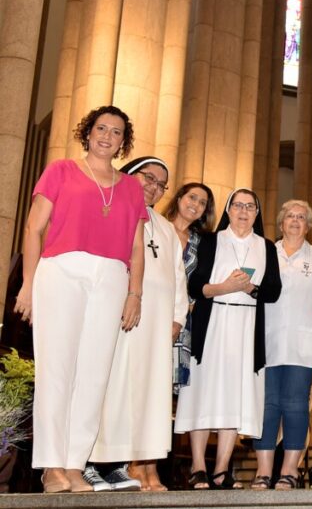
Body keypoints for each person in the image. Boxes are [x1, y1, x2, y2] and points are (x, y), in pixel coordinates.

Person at [14, 105, 147, 494]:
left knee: (94, 375)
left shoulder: (131, 187)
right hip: (62, 270)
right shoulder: (61, 171)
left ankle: (75, 464)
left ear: (125, 141)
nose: (108, 136)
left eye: (117, 131)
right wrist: (28, 284)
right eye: (101, 128)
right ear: (88, 133)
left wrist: (134, 293)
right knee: (58, 371)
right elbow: (33, 228)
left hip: (110, 278)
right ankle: (52, 466)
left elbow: (137, 248)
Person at [87, 158, 188, 492]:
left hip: (156, 325)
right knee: (111, 386)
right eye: (149, 178)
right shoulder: (112, 208)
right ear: (129, 176)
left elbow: (177, 276)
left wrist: (176, 318)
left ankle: (123, 462)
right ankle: (92, 460)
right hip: (119, 317)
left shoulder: (165, 227)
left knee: (144, 395)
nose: (154, 187)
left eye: (162, 184)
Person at [174, 189, 282, 489]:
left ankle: (221, 469)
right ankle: (198, 467)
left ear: (257, 213)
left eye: (250, 206)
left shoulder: (266, 247)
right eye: (237, 205)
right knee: (202, 393)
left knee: (234, 395)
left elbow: (273, 291)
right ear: (228, 210)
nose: (243, 211)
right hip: (212, 325)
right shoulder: (210, 241)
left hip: (247, 328)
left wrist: (251, 289)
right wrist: (225, 287)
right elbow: (193, 284)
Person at [251, 200, 312, 490]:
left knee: (295, 406)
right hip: (267, 340)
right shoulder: (264, 252)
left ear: (308, 225)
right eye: (290, 217)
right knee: (266, 406)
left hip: (304, 341)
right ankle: (263, 471)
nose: (295, 221)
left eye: (302, 217)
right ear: (280, 223)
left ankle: (290, 471)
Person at [164, 182, 217, 395]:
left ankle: (161, 430)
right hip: (150, 310)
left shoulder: (202, 242)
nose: (196, 204)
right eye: (192, 197)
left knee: (166, 388)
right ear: (179, 198)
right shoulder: (157, 226)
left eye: (203, 203)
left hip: (182, 318)